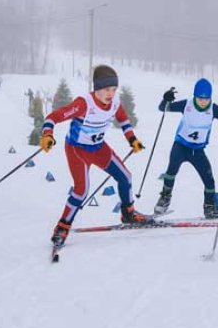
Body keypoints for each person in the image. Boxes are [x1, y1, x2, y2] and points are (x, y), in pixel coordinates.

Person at [41, 65, 150, 246]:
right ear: (97, 88)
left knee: (126, 177)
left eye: (114, 89)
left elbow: (123, 119)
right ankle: (63, 226)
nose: (111, 94)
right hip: (77, 150)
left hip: (98, 148)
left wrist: (132, 139)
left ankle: (128, 213)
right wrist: (47, 134)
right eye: (107, 89)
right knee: (81, 190)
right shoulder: (84, 104)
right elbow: (54, 116)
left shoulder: (114, 103)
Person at [154, 79, 218, 218]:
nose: (203, 102)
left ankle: (209, 208)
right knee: (171, 171)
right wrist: (166, 99)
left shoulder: (213, 109)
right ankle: (164, 199)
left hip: (198, 151)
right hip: (180, 146)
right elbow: (163, 108)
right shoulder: (186, 105)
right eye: (200, 98)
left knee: (209, 180)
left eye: (206, 99)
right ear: (195, 96)